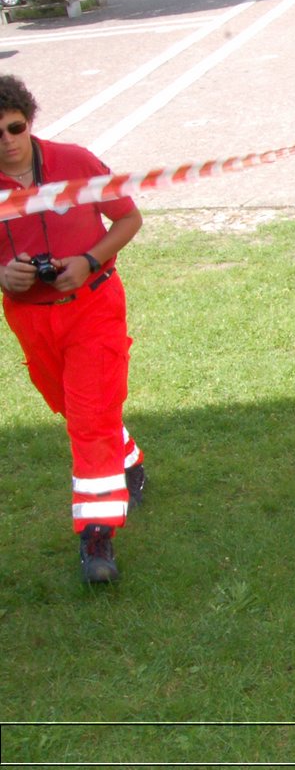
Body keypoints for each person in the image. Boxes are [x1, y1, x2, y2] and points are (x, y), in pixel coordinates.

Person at [0, 75, 145, 583]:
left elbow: (129, 220)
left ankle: (97, 534)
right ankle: (126, 454)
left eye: (14, 127)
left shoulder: (76, 161)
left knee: (87, 420)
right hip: (30, 318)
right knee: (73, 405)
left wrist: (87, 260)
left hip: (92, 305)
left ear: (29, 121)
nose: (7, 140)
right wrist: (4, 274)